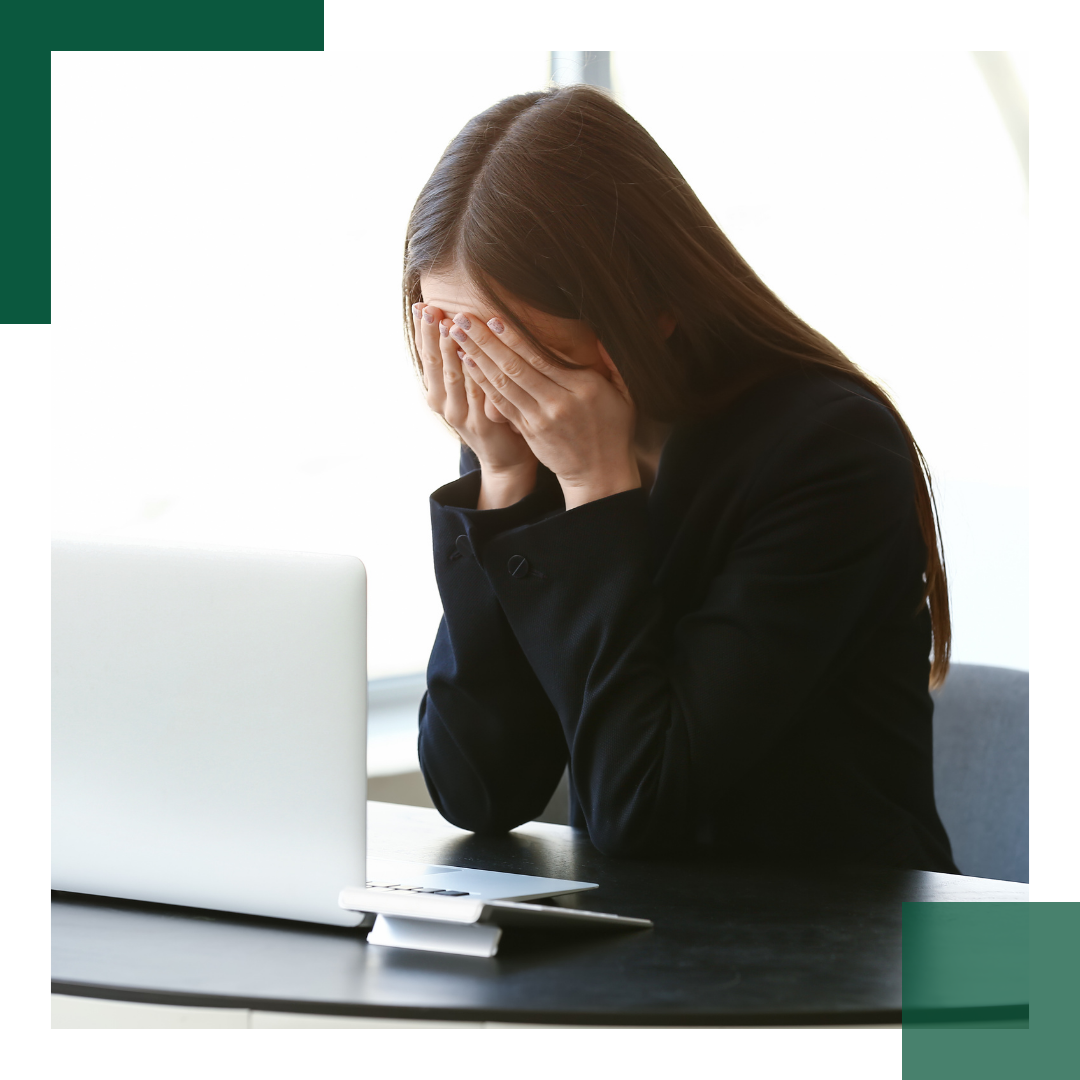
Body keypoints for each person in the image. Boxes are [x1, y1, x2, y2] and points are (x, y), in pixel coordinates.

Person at [405, 85, 958, 873]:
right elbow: (477, 792)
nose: (493, 383)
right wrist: (499, 478)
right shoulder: (528, 433)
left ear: (647, 306)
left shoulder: (831, 452)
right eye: (458, 343)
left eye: (516, 347)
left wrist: (596, 489)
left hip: (866, 956)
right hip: (656, 956)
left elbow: (641, 808)